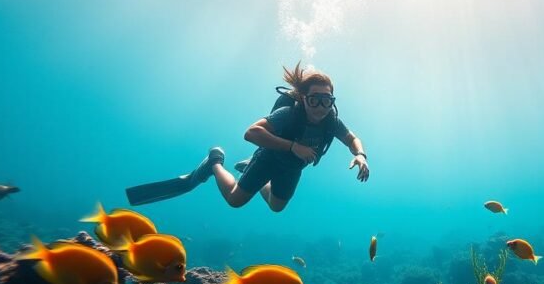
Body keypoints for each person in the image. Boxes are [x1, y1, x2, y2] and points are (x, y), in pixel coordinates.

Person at [125, 63, 369, 209]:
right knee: (235, 201)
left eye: (327, 100)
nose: (320, 106)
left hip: (292, 168)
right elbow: (251, 133)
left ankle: (255, 177)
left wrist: (360, 155)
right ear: (303, 99)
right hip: (269, 158)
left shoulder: (331, 121)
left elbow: (351, 138)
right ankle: (214, 163)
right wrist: (293, 147)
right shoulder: (288, 114)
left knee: (276, 207)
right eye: (314, 99)